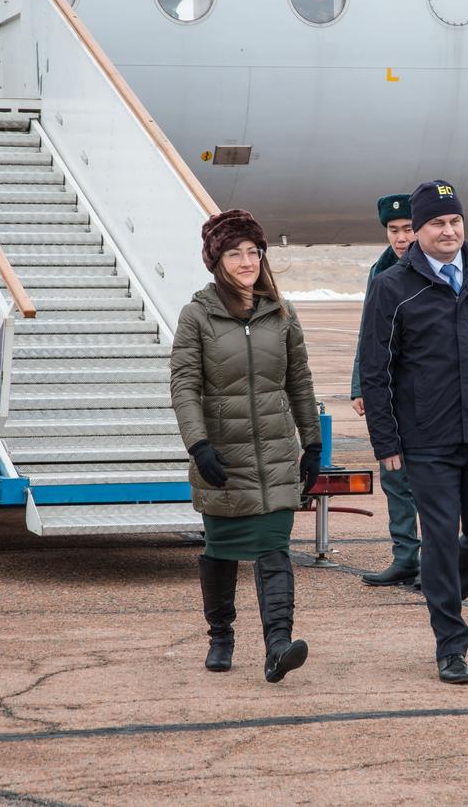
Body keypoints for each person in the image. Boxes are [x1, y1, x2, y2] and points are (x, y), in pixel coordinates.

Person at [358, 180, 468, 685]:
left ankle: (443, 594)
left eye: (455, 221)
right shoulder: (393, 287)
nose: (449, 231)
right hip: (427, 440)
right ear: (415, 232)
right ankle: (451, 643)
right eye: (437, 223)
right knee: (438, 538)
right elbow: (376, 371)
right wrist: (386, 443)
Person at [170, 209, 322, 684]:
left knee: (274, 547)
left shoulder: (281, 311)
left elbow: (299, 380)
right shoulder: (197, 314)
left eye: (252, 252)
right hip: (224, 454)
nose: (245, 261)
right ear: (217, 261)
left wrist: (312, 442)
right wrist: (198, 445)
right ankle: (221, 633)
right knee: (220, 550)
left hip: (275, 452)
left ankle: (278, 644)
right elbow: (184, 385)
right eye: (234, 253)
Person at [351, 194, 421, 587]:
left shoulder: (441, 266)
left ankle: (441, 558)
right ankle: (406, 557)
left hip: (430, 392)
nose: (401, 237)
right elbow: (369, 330)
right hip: (390, 392)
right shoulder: (380, 270)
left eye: (408, 228)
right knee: (394, 474)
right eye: (394, 230)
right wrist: (361, 384)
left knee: (432, 479)